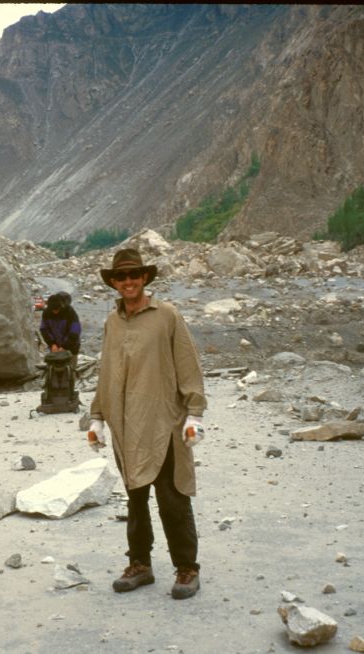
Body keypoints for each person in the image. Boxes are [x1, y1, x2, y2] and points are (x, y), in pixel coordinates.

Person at [87, 247, 207, 600]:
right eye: (121, 277)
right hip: (125, 427)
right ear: (114, 282)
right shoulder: (112, 321)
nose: (128, 282)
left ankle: (187, 568)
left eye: (133, 275)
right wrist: (97, 418)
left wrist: (195, 413)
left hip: (163, 422)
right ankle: (140, 564)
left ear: (144, 278)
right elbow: (106, 371)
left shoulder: (167, 315)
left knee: (172, 497)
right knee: (135, 499)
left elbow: (188, 365)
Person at [39, 292, 81, 367]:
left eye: (57, 309)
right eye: (53, 310)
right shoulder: (46, 313)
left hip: (71, 346)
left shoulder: (70, 312)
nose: (55, 312)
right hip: (55, 346)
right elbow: (44, 329)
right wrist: (52, 344)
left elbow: (75, 331)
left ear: (61, 306)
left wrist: (65, 346)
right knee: (54, 369)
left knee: (70, 370)